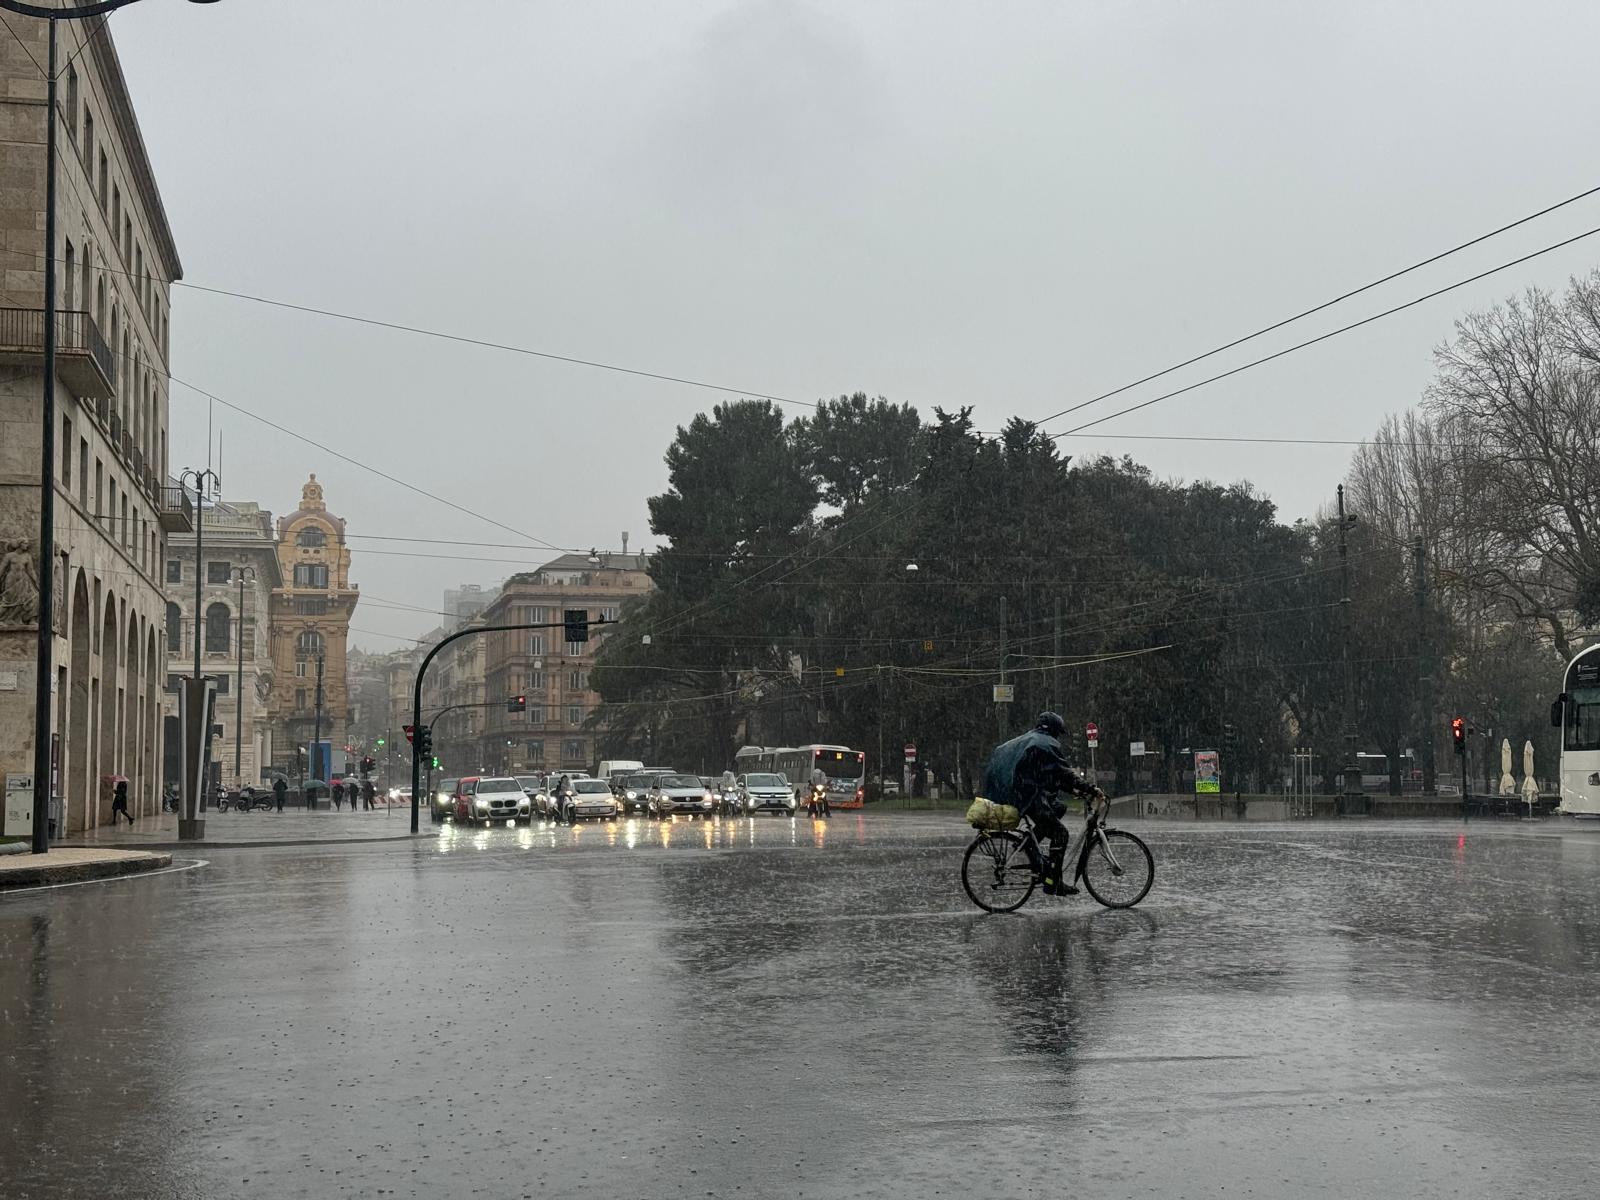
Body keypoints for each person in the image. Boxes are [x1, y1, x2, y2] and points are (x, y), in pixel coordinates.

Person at [982, 712, 1103, 896]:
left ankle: (1030, 844)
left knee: (1059, 808)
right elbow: (1064, 773)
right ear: (1053, 729)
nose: (1058, 737)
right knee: (1060, 833)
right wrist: (1091, 789)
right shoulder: (1045, 744)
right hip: (1028, 797)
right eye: (1058, 733)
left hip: (1019, 794)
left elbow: (1051, 774)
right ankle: (1052, 882)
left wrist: (1074, 790)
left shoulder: (1031, 741)